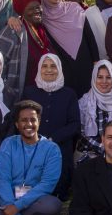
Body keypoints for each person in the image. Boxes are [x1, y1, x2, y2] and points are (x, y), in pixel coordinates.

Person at [22, 53, 80, 199]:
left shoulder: (69, 94)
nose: (49, 70)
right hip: (31, 147)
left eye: (53, 66)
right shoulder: (29, 92)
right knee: (24, 191)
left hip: (59, 149)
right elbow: (20, 120)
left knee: (55, 194)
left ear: (59, 69)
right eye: (45, 66)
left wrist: (52, 139)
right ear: (39, 69)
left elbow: (75, 125)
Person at [36, 0, 100, 97]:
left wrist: (96, 62)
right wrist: (13, 19)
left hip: (84, 64)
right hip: (62, 68)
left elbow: (89, 36)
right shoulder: (40, 15)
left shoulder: (74, 8)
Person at [0, 0, 51, 105]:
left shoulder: (43, 30)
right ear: (22, 12)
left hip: (44, 96)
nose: (36, 11)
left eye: (38, 7)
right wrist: (7, 93)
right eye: (31, 8)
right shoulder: (13, 31)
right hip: (20, 99)